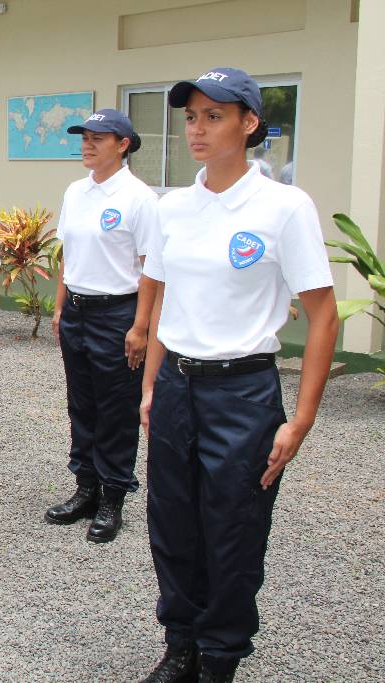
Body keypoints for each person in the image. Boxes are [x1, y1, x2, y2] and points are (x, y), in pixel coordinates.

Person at [138, 68, 338, 683]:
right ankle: (181, 644)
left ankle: (220, 655)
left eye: (214, 116)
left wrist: (300, 420)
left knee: (233, 530)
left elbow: (324, 313)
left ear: (249, 123)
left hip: (243, 391)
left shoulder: (283, 207)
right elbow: (162, 300)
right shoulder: (173, 207)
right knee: (171, 520)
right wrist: (150, 387)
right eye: (192, 116)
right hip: (177, 383)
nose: (197, 128)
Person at [45, 109, 159, 544]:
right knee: (83, 402)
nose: (87, 144)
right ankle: (86, 487)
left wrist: (141, 327)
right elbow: (67, 256)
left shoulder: (139, 197)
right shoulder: (76, 192)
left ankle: (113, 496)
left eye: (99, 137)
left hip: (118, 315)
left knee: (115, 409)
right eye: (84, 137)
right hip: (77, 310)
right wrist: (59, 307)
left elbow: (152, 270)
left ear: (123, 144)